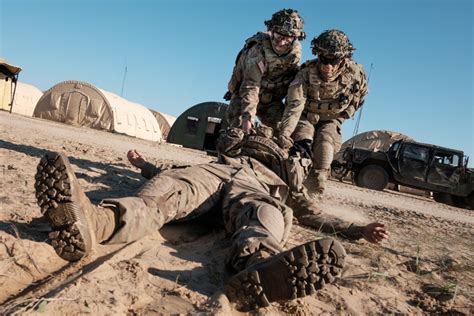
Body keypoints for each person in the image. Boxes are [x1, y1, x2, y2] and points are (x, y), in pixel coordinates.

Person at [34, 133, 387, 311]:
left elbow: (313, 213)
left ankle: (257, 266)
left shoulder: (280, 179)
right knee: (169, 190)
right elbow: (166, 174)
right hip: (212, 173)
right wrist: (143, 166)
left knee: (265, 212)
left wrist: (357, 229)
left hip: (255, 185)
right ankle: (96, 223)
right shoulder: (226, 155)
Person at [278, 29, 369, 194]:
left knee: (325, 148)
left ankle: (317, 189)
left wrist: (344, 115)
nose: (328, 66)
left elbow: (361, 95)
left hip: (332, 119)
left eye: (334, 61)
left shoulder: (356, 74)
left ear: (343, 59)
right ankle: (295, 186)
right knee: (301, 147)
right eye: (324, 60)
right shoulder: (305, 73)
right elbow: (294, 106)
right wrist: (285, 134)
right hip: (305, 116)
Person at [224, 8, 305, 144]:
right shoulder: (258, 50)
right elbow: (251, 85)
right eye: (278, 35)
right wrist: (247, 119)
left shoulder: (295, 54)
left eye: (287, 38)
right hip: (244, 97)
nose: (281, 42)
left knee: (284, 135)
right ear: (271, 31)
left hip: (271, 102)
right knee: (237, 134)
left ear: (295, 38)